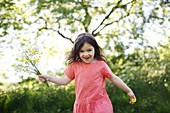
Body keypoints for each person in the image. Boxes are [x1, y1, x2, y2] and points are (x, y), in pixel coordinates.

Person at [39, 33, 136, 113]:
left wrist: (128, 90)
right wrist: (49, 78)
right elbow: (64, 81)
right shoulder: (75, 66)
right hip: (82, 107)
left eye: (89, 50)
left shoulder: (101, 65)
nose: (86, 54)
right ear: (77, 52)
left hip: (100, 106)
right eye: (81, 51)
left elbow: (113, 78)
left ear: (95, 49)